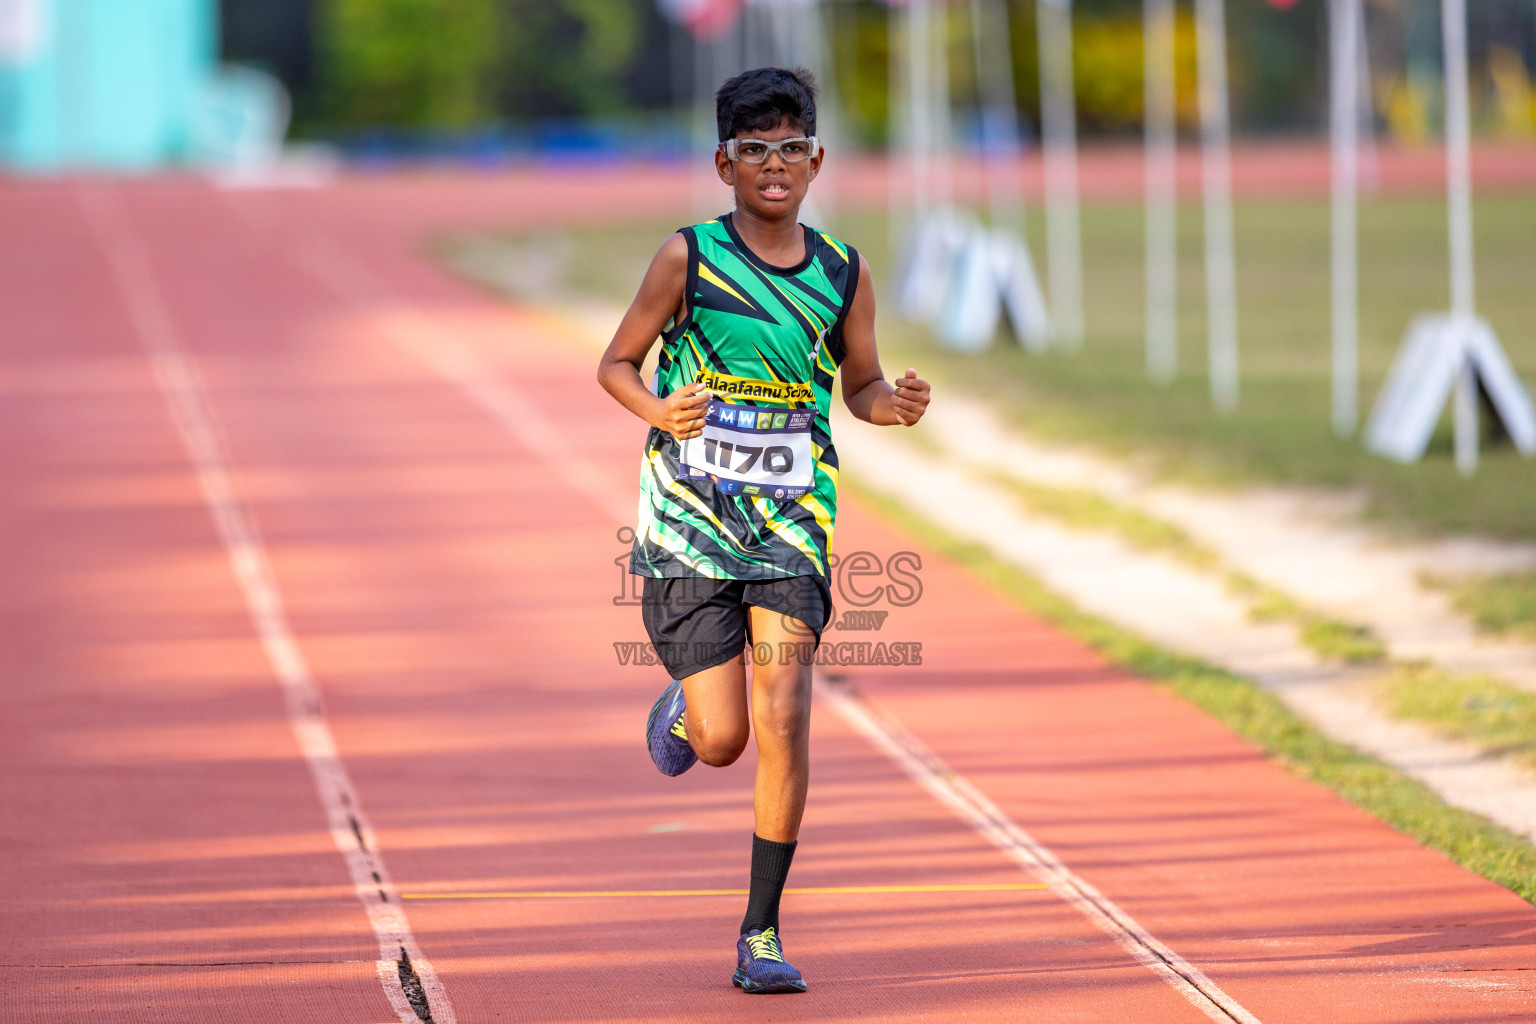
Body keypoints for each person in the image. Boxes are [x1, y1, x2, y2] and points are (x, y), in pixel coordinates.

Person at [596, 66, 931, 994]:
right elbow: (616, 363)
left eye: (791, 148)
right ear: (724, 162)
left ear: (817, 161)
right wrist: (661, 411)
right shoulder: (688, 259)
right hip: (691, 523)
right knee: (724, 741)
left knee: (785, 716)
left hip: (793, 521)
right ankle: (685, 712)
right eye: (755, 151)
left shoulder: (842, 271)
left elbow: (858, 383)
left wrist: (888, 403)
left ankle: (762, 933)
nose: (774, 165)